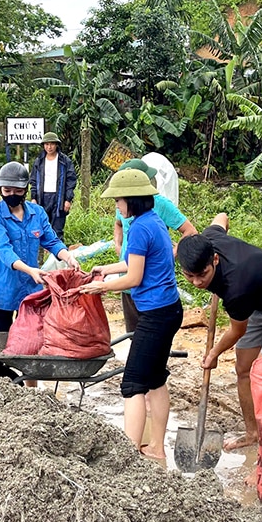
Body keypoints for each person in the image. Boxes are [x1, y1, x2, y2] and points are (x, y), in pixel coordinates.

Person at [176, 212, 262, 451]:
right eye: (188, 276)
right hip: (255, 303)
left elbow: (237, 331)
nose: (196, 283)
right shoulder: (209, 238)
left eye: (202, 275)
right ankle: (252, 433)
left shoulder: (236, 287)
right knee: (243, 369)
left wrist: (213, 353)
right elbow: (222, 217)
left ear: (214, 259)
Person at [81, 169, 182, 461]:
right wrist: (106, 270)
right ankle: (157, 448)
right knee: (155, 379)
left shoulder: (138, 228)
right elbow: (130, 262)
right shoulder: (153, 222)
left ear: (133, 200)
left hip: (155, 314)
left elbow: (134, 277)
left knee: (132, 383)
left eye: (119, 200)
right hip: (170, 309)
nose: (117, 206)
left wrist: (101, 288)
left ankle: (128, 456)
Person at [99, 158, 196, 334]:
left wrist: (171, 254)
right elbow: (118, 225)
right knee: (135, 333)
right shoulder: (140, 215)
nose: (116, 205)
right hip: (132, 278)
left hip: (151, 293)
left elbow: (190, 231)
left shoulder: (145, 222)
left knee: (147, 337)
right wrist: (117, 246)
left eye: (117, 200)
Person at [0, 161, 80, 334]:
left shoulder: (38, 212)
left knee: (31, 338)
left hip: (31, 290)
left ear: (26, 189)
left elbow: (51, 241)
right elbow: (4, 251)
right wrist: (30, 270)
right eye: (7, 191)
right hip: (3, 290)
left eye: (18, 191)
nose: (12, 195)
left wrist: (68, 257)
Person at [29, 131, 77, 241]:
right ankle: (41, 255)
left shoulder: (64, 161)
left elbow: (71, 180)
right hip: (42, 198)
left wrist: (68, 199)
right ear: (43, 146)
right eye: (46, 144)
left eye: (52, 144)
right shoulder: (39, 161)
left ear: (56, 145)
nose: (49, 147)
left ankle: (57, 256)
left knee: (57, 229)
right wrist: (33, 197)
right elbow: (33, 181)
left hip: (59, 198)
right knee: (40, 227)